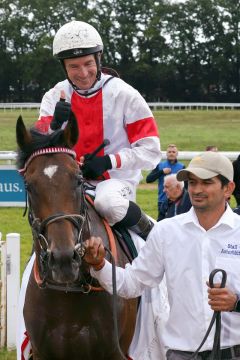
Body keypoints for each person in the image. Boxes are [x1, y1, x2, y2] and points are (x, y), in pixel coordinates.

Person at [84, 151, 240, 360]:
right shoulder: (166, 231)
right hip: (182, 354)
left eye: (206, 182)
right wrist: (99, 265)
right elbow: (131, 283)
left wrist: (236, 303)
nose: (197, 190)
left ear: (228, 188)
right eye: (192, 183)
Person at [34, 20, 161, 240]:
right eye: (74, 66)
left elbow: (151, 152)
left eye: (88, 63)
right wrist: (54, 125)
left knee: (108, 203)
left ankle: (158, 236)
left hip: (116, 182)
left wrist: (109, 161)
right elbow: (37, 151)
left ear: (98, 59)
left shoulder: (125, 95)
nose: (83, 73)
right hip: (68, 182)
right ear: (64, 67)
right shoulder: (54, 96)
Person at [146, 144, 185, 220]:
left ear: (177, 154)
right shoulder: (160, 166)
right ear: (166, 154)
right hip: (162, 200)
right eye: (169, 152)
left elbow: (185, 185)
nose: (171, 153)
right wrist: (162, 172)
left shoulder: (181, 167)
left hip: (177, 200)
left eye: (173, 152)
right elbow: (148, 179)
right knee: (161, 223)